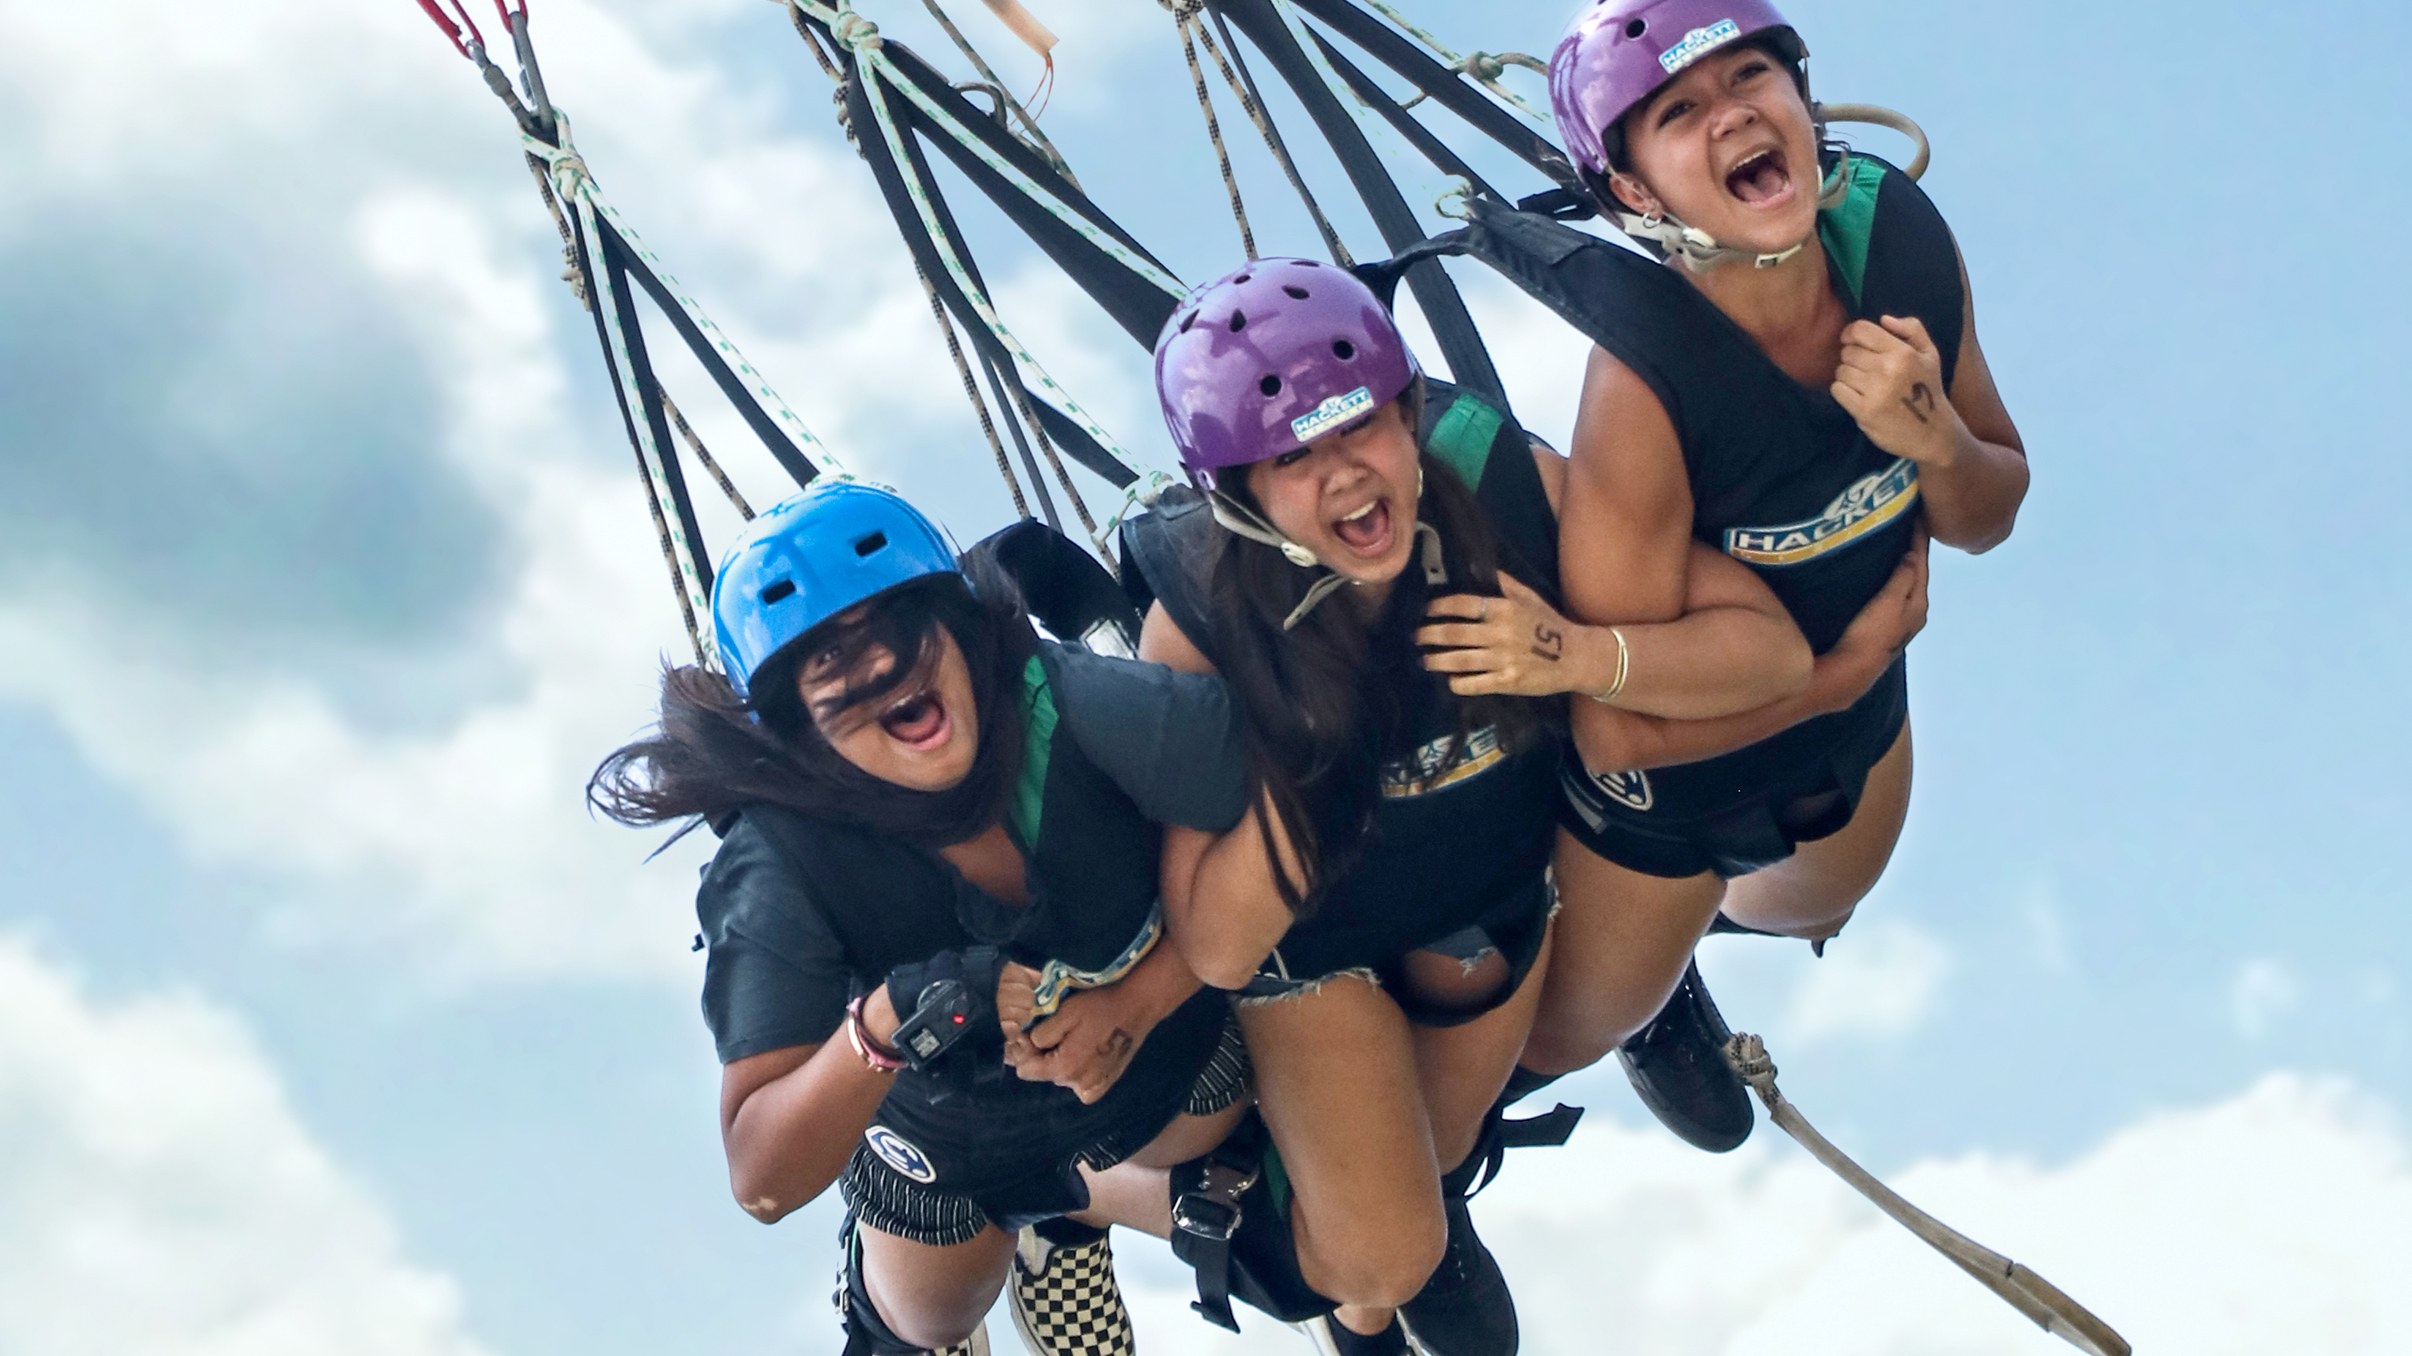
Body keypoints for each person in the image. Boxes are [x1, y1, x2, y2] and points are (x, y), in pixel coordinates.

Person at [1123, 259, 1812, 1356]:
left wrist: (1583, 654)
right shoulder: (1201, 623)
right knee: (1381, 1254)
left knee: (1441, 1152)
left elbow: (1771, 654)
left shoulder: (1498, 490)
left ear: (1408, 415)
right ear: (1239, 497)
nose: (1345, 475)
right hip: (1316, 949)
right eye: (1292, 459)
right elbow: (1214, 944)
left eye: (1360, 429)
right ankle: (1084, 1195)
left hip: (1484, 893)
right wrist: (1314, 753)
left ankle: (1433, 1184)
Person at [1464, 0, 2028, 1149]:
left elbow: (1990, 513)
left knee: (1826, 898)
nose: (1733, 116)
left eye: (1751, 80)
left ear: (1802, 101)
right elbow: (1616, 733)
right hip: (1674, 786)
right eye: (1681, 112)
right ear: (1635, 193)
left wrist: (1936, 441)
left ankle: (1683, 956)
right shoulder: (1641, 393)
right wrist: (1842, 670)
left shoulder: (1898, 245)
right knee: (1545, 1042)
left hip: (1849, 723)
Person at [590, 482, 1255, 1356]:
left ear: (962, 628)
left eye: (898, 626)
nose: (879, 669)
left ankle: (1075, 1214)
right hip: (948, 1140)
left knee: (1255, 1163)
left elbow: (1290, 802)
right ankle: (933, 1252)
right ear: (797, 732)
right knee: (926, 1325)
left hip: (1152, 1069)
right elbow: (762, 1178)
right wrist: (892, 1018)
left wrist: (1150, 996)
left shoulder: (1064, 700)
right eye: (827, 666)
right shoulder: (779, 860)